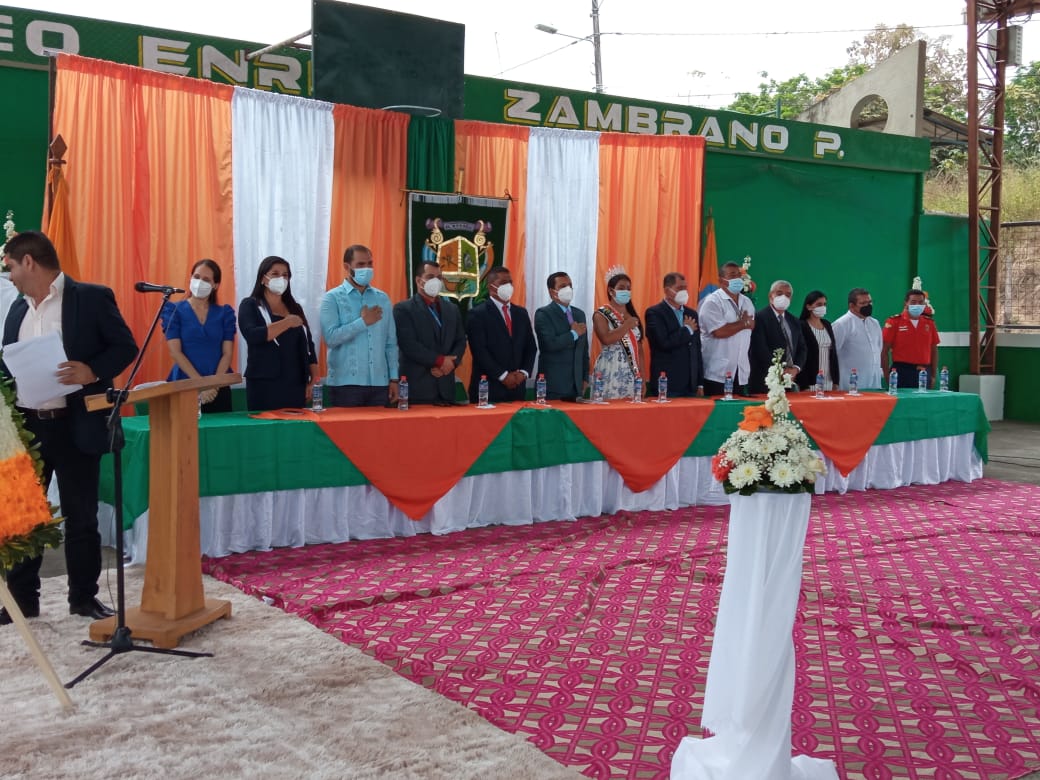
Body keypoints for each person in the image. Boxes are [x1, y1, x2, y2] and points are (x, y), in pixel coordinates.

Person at [0, 231, 137, 624]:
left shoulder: (90, 297)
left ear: (29, 261)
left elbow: (125, 347)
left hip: (76, 425)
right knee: (25, 518)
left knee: (82, 518)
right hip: (29, 428)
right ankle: (23, 602)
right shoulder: (17, 309)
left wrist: (91, 371)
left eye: (10, 266)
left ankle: (83, 598)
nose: (8, 275)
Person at [320, 245, 399, 408]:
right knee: (347, 426)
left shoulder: (382, 298)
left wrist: (394, 379)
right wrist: (363, 322)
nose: (367, 269)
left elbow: (390, 343)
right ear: (347, 266)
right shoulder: (332, 298)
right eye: (361, 264)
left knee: (380, 426)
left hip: (380, 384)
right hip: (345, 385)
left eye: (370, 264)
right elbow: (331, 338)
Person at [238, 256, 318, 411]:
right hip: (264, 385)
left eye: (285, 275)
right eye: (275, 274)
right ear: (263, 278)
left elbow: (309, 346)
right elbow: (253, 335)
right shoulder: (250, 304)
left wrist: (313, 380)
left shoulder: (295, 308)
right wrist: (287, 323)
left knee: (295, 426)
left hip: (296, 384)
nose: (281, 278)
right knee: (266, 425)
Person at [162, 259, 236, 412]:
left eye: (206, 279)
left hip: (218, 388)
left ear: (215, 285)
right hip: (184, 384)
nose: (199, 282)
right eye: (196, 277)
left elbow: (227, 353)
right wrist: (201, 384)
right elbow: (175, 352)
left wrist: (213, 385)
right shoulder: (173, 311)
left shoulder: (224, 313)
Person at [393, 261, 466, 405]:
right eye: (430, 277)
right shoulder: (403, 309)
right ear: (418, 280)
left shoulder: (452, 309)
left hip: (446, 388)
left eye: (439, 278)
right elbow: (409, 345)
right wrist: (439, 361)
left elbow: (460, 341)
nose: (436, 281)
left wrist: (450, 364)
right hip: (417, 389)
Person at [466, 265, 536, 403]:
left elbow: (531, 347)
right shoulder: (477, 314)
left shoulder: (521, 313)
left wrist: (523, 373)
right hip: (488, 389)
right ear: (491, 287)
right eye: (503, 283)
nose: (508, 286)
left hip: (517, 388)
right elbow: (480, 351)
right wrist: (503, 376)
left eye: (510, 282)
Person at [698, 261, 756, 396]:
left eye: (739, 275)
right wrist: (743, 323)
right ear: (721, 280)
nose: (737, 279)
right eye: (732, 275)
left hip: (740, 372)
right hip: (717, 373)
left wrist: (746, 324)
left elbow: (751, 327)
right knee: (719, 408)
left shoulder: (747, 302)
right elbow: (719, 331)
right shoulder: (712, 302)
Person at [645, 272, 704, 398]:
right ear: (667, 291)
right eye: (679, 288)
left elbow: (696, 349)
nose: (684, 291)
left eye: (685, 288)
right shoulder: (655, 313)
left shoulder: (692, 314)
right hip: (667, 383)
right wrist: (687, 330)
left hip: (690, 385)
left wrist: (700, 383)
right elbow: (663, 343)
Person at [534, 272, 589, 401]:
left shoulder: (579, 314)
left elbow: (584, 350)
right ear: (551, 292)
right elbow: (549, 344)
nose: (568, 289)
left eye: (570, 285)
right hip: (553, 385)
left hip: (577, 386)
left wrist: (585, 377)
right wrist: (573, 334)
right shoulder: (543, 314)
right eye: (563, 286)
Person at [592, 270, 644, 399]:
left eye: (628, 288)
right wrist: (626, 326)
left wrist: (642, 376)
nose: (625, 291)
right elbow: (606, 339)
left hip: (632, 371)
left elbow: (639, 349)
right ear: (611, 291)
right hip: (611, 368)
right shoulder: (601, 314)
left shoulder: (632, 315)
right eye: (621, 288)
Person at [749, 280, 807, 394]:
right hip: (765, 382)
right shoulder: (759, 318)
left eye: (788, 295)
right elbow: (760, 349)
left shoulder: (794, 321)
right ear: (770, 296)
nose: (783, 297)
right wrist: (779, 371)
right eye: (779, 293)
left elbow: (802, 348)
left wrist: (795, 369)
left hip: (790, 381)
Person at [882, 289, 940, 389]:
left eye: (921, 302)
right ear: (906, 303)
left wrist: (933, 375)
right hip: (901, 372)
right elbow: (884, 351)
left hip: (924, 372)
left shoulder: (929, 323)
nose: (917, 305)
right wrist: (887, 375)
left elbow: (934, 350)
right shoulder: (894, 322)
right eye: (913, 302)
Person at [831, 287, 883, 390]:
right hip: (850, 385)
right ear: (851, 306)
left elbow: (878, 349)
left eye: (870, 302)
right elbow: (832, 355)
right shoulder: (841, 324)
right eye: (863, 303)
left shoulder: (875, 323)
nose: (868, 306)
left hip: (874, 383)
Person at [795, 290, 840, 391]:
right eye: (819, 304)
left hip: (829, 379)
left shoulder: (827, 325)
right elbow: (800, 355)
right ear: (808, 306)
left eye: (824, 304)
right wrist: (803, 384)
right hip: (811, 381)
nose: (823, 307)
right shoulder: (801, 326)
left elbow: (833, 354)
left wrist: (836, 381)